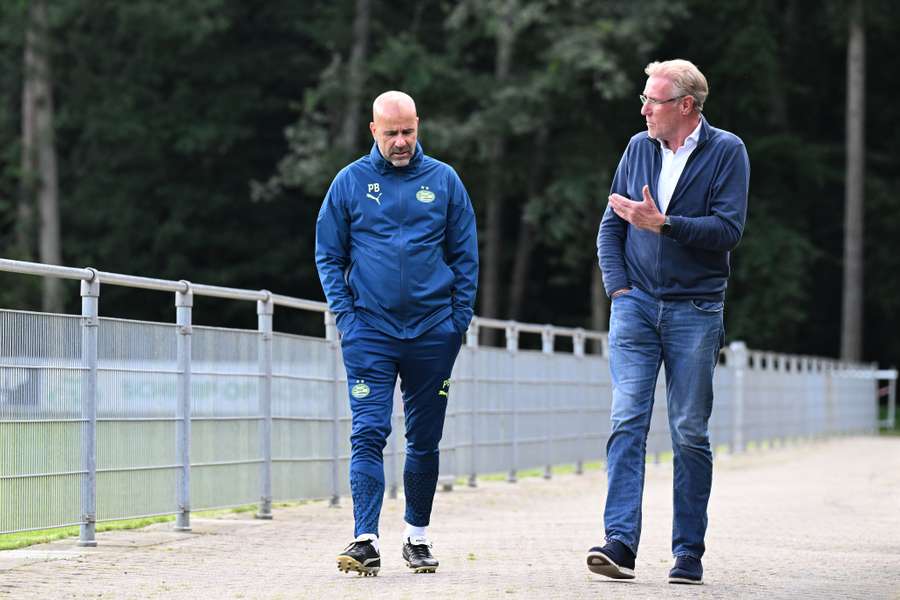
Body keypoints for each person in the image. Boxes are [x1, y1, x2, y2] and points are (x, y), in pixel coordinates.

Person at [589, 60, 750, 585]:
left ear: (685, 106)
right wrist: (618, 288)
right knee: (626, 420)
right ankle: (619, 543)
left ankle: (687, 552)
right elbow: (610, 228)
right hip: (635, 306)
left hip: (696, 309)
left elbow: (727, 230)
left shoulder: (727, 151)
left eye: (652, 102)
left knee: (688, 431)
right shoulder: (638, 148)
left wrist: (665, 225)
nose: (643, 110)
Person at [315, 91, 478, 576]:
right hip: (370, 330)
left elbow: (465, 256)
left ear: (418, 126)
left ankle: (417, 537)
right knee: (368, 430)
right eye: (392, 134)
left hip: (433, 331)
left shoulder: (444, 180)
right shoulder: (350, 182)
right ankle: (365, 539)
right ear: (373, 131)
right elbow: (329, 254)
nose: (402, 141)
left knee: (424, 439)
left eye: (409, 131)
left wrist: (458, 320)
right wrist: (346, 317)